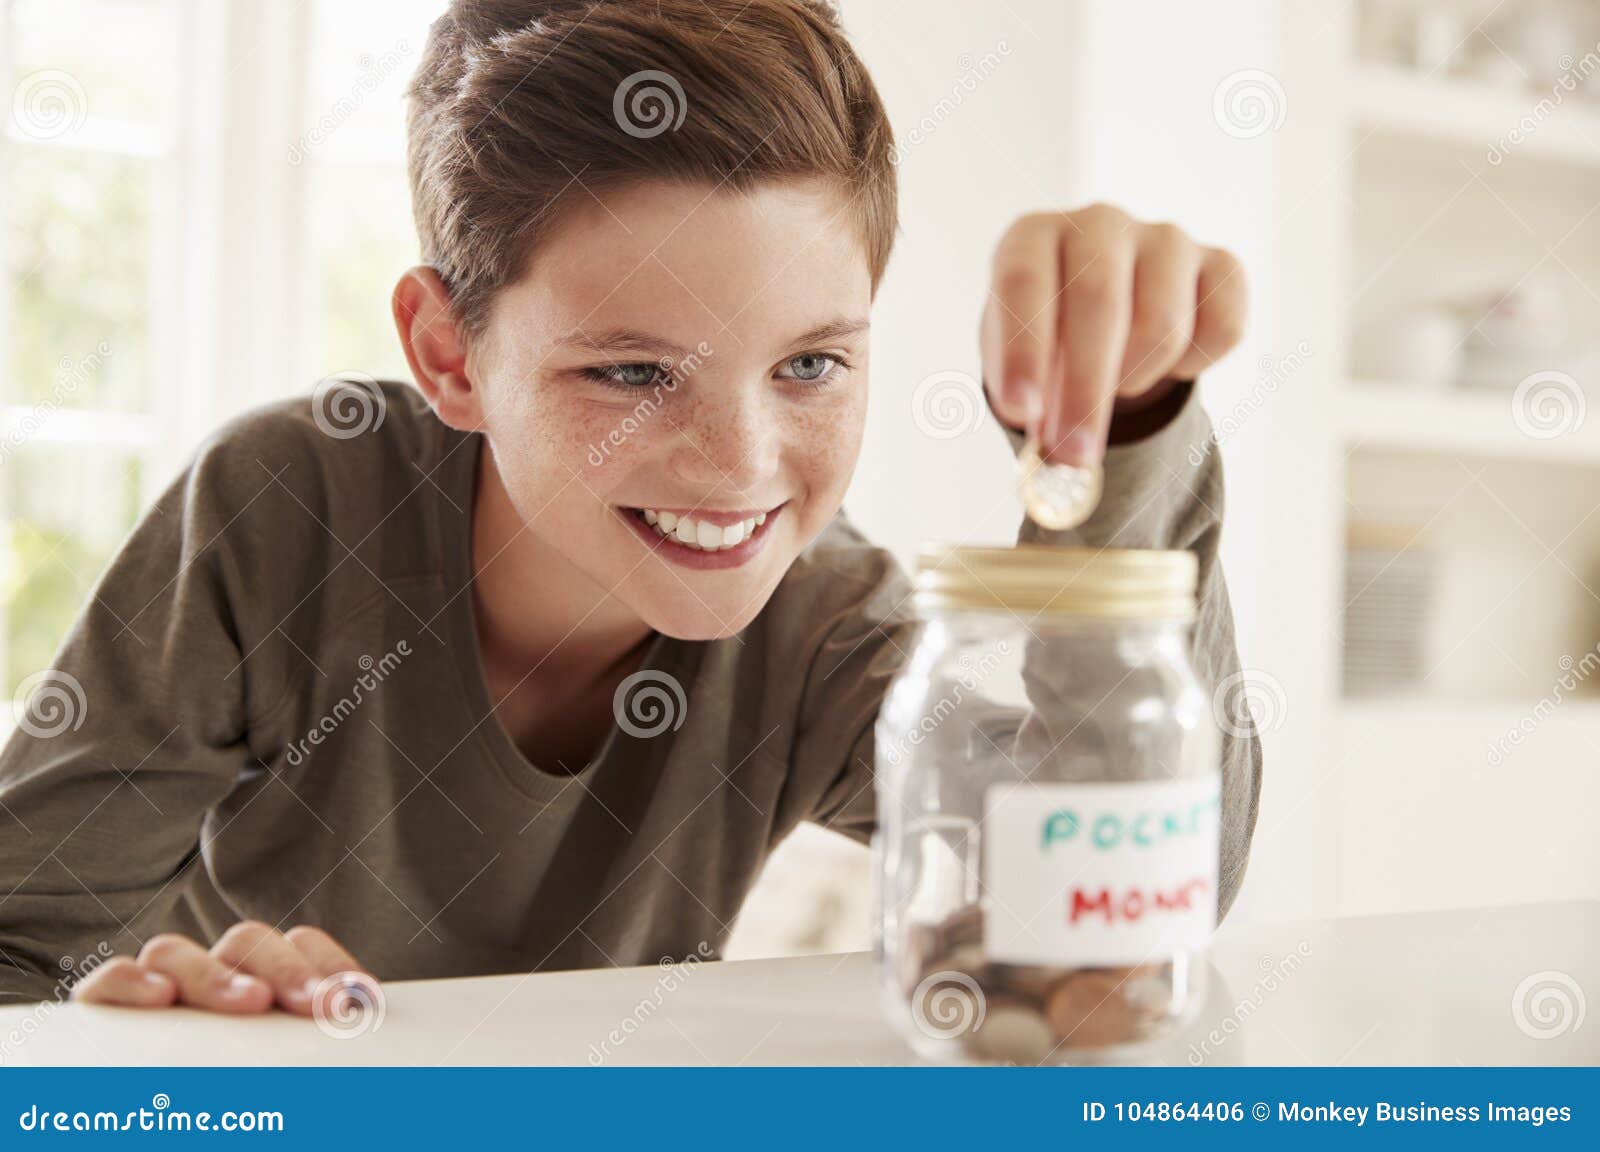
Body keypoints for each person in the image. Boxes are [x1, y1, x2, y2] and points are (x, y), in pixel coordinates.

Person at [0, 0, 1259, 1015]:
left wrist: (1127, 439)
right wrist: (146, 1032)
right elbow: (18, 947)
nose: (739, 467)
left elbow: (1135, 888)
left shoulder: (820, 622)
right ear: (447, 353)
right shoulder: (287, 511)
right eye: (633, 372)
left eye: (810, 363)